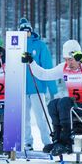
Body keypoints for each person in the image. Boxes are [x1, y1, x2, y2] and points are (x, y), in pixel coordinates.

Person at [22, 39, 82, 156]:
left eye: (70, 59)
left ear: (79, 56)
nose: (68, 63)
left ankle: (66, 143)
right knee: (53, 104)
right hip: (75, 112)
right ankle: (57, 141)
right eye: (66, 59)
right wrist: (31, 62)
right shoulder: (64, 68)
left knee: (65, 102)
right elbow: (43, 74)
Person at [18, 18, 58, 151]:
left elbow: (47, 66)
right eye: (23, 32)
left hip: (37, 87)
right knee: (24, 118)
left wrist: (53, 88)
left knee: (41, 117)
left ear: (31, 31)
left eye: (27, 31)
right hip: (22, 89)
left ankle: (47, 141)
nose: (26, 34)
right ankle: (27, 142)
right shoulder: (17, 46)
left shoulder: (40, 45)